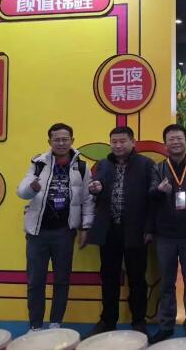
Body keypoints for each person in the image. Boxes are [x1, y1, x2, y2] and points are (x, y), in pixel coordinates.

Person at [17, 123, 94, 331]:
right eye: (56, 139)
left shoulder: (81, 167)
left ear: (72, 141)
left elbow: (87, 199)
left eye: (65, 139)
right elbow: (22, 191)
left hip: (64, 233)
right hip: (37, 232)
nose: (61, 143)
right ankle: (35, 325)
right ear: (49, 141)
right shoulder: (38, 163)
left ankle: (55, 323)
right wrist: (31, 188)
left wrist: (86, 227)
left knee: (62, 280)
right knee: (35, 281)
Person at [86, 126, 155, 337]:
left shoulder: (146, 164)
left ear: (133, 142)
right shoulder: (104, 164)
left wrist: (149, 228)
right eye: (114, 142)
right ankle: (108, 320)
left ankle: (139, 321)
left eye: (122, 141)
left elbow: (153, 200)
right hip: (109, 230)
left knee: (137, 278)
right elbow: (96, 185)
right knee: (109, 277)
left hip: (136, 230)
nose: (117, 145)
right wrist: (95, 188)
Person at [148, 124, 186, 343]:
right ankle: (166, 324)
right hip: (165, 235)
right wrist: (158, 190)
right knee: (167, 282)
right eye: (171, 139)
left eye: (179, 138)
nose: (175, 142)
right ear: (165, 144)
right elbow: (150, 196)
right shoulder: (158, 168)